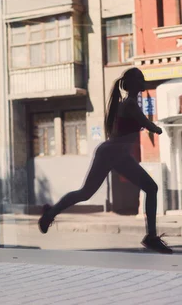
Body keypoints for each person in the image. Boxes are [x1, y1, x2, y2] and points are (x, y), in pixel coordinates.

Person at [38, 67, 173, 254]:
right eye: (141, 79)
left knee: (89, 192)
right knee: (90, 193)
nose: (144, 82)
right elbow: (145, 123)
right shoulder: (131, 104)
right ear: (134, 83)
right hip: (113, 153)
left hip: (116, 154)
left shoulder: (129, 103)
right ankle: (151, 237)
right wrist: (157, 129)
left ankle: (50, 213)